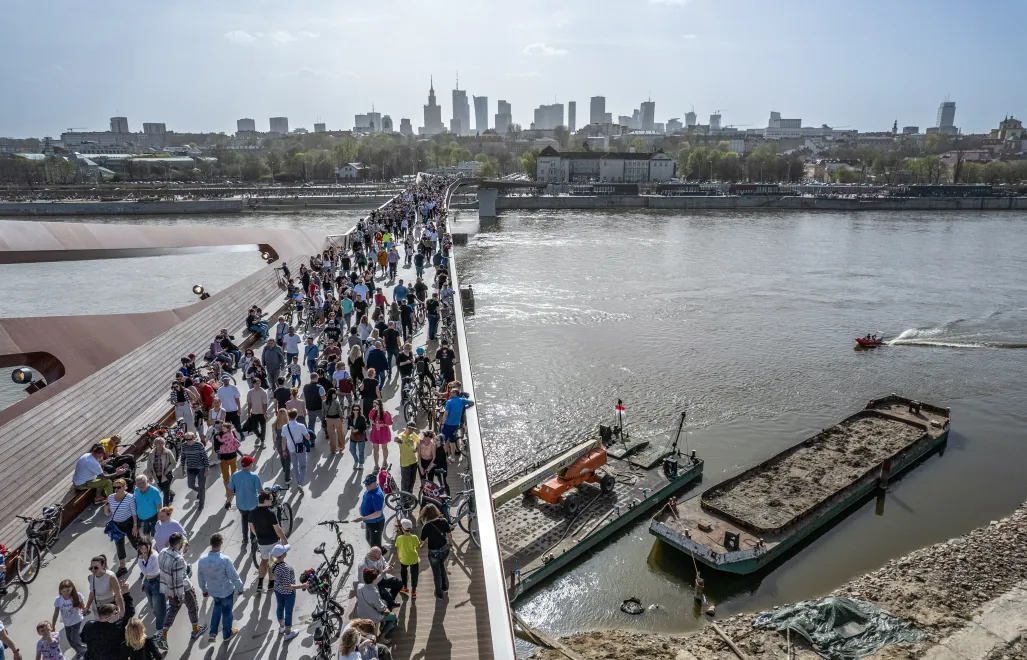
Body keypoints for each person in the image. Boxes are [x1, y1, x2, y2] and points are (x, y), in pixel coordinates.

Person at [158, 532, 206, 643]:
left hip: (169, 589)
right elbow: (179, 580)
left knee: (173, 609)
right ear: (179, 543)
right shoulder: (178, 559)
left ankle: (164, 633)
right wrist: (180, 596)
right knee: (193, 608)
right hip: (183, 589)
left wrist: (182, 554)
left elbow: (170, 566)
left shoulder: (162, 552)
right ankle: (196, 630)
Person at [197, 533, 243, 643]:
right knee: (227, 612)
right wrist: (240, 587)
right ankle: (227, 634)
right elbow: (234, 576)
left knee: (217, 607)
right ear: (221, 543)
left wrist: (204, 589)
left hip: (213, 591)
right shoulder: (225, 560)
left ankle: (213, 632)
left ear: (211, 543)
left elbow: (200, 577)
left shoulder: (202, 560)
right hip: (226, 591)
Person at [250, 490, 289, 592]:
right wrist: (284, 539)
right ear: (266, 501)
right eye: (270, 499)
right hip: (273, 541)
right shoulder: (270, 513)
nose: (272, 501)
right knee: (272, 562)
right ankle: (271, 584)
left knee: (264, 561)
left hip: (261, 542)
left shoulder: (252, 512)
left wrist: (257, 536)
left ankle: (260, 583)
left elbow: (252, 527)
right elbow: (278, 530)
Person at [270, 544, 307, 641]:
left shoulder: (274, 565)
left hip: (278, 590)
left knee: (280, 607)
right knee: (288, 612)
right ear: (283, 555)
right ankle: (288, 632)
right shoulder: (285, 568)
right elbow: (288, 586)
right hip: (288, 593)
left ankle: (281, 627)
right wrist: (301, 586)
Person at [105, 478, 139, 577]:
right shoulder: (111, 497)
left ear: (125, 487)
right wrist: (106, 509)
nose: (116, 489)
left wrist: (135, 526)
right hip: (116, 525)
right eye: (114, 487)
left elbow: (134, 512)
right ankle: (122, 567)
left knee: (135, 542)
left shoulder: (130, 498)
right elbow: (108, 513)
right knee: (119, 546)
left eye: (119, 487)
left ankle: (144, 558)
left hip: (128, 523)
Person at [419, 503, 453, 599]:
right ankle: (445, 588)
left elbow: (422, 540)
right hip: (444, 549)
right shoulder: (444, 521)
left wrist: (421, 545)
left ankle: (439, 594)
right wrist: (450, 544)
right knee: (442, 566)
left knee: (436, 573)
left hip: (433, 552)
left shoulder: (426, 526)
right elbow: (449, 535)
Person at [226, 455, 262, 546]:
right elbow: (260, 491)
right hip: (253, 505)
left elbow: (230, 489)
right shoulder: (254, 476)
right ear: (250, 465)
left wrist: (228, 501)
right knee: (253, 522)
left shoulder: (235, 475)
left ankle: (245, 539)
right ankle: (253, 539)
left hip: (241, 505)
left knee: (244, 520)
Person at [355, 568, 397, 639]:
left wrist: (382, 574)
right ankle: (382, 637)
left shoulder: (359, 586)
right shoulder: (374, 593)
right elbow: (380, 608)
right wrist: (386, 610)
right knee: (393, 617)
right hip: (371, 617)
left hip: (361, 614)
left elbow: (372, 583)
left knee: (384, 603)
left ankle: (382, 624)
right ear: (374, 580)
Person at [134, 539, 165, 635]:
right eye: (141, 548)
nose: (143, 550)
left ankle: (160, 628)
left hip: (156, 581)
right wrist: (143, 582)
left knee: (158, 605)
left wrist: (140, 560)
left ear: (150, 545)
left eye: (145, 547)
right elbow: (146, 574)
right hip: (148, 581)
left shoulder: (153, 557)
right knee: (152, 603)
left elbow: (146, 571)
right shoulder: (145, 555)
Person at [51, 579, 87, 658]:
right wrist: (53, 625)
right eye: (63, 591)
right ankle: (79, 650)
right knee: (70, 640)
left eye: (68, 590)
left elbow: (83, 606)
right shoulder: (58, 600)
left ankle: (84, 652)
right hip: (67, 622)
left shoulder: (77, 596)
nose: (66, 593)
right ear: (60, 591)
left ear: (72, 588)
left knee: (74, 638)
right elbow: (56, 613)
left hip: (76, 620)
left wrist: (85, 610)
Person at [352, 474, 386, 548]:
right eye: (365, 484)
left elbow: (378, 513)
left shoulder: (377, 495)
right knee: (368, 539)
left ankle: (379, 556)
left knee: (375, 545)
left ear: (374, 483)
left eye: (368, 484)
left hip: (375, 524)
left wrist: (362, 518)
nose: (366, 486)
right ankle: (380, 551)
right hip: (369, 522)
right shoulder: (371, 489)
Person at [440, 389, 474, 461]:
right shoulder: (462, 400)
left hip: (447, 425)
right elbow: (472, 403)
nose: (450, 393)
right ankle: (453, 457)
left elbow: (446, 414)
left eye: (451, 392)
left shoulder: (449, 402)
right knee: (452, 442)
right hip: (455, 425)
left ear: (455, 393)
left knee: (444, 441)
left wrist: (442, 423)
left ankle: (443, 457)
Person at [178, 432, 209, 511]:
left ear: (194, 438)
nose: (188, 441)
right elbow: (183, 457)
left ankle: (201, 504)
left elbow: (205, 457)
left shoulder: (199, 445)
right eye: (186, 439)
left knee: (201, 486)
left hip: (200, 468)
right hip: (190, 468)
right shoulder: (184, 446)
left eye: (190, 439)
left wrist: (206, 469)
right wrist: (183, 468)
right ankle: (201, 492)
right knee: (190, 485)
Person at [282, 409, 311, 487]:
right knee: (303, 466)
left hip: (291, 448)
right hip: (300, 448)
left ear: (288, 416)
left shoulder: (285, 427)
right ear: (296, 416)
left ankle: (298, 480)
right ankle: (300, 483)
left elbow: (283, 440)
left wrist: (284, 450)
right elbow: (307, 437)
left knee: (295, 466)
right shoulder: (301, 426)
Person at [146, 436, 176, 506]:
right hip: (156, 476)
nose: (160, 444)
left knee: (165, 493)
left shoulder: (168, 452)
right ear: (155, 444)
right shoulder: (151, 454)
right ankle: (171, 494)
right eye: (158, 443)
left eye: (162, 443)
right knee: (163, 489)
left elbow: (173, 463)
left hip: (166, 475)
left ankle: (166, 507)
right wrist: (150, 476)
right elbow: (149, 465)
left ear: (164, 443)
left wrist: (167, 470)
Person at [394, 519, 421, 598]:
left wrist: (399, 557)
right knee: (414, 575)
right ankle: (414, 592)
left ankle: (405, 587)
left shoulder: (399, 538)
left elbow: (398, 548)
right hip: (414, 559)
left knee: (403, 572)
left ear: (402, 528)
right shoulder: (414, 537)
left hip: (404, 559)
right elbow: (417, 546)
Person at [216, 374, 244, 439]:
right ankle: (232, 437)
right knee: (227, 426)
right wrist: (219, 411)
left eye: (226, 380)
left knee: (237, 425)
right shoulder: (220, 390)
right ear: (222, 381)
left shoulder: (234, 388)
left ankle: (241, 433)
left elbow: (237, 399)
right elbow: (218, 401)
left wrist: (239, 409)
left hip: (234, 410)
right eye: (224, 380)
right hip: (225, 412)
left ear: (229, 380)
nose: (225, 381)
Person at [395, 422, 420, 493]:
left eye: (413, 429)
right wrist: (397, 440)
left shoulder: (413, 434)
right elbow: (397, 439)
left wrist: (417, 448)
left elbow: (419, 440)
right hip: (405, 463)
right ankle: (403, 498)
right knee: (405, 482)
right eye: (409, 428)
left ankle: (410, 496)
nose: (411, 430)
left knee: (412, 480)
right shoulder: (401, 435)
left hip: (414, 461)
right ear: (406, 427)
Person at [215, 422, 241, 488]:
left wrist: (218, 439)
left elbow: (220, 444)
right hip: (228, 457)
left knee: (233, 473)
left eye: (220, 427)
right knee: (228, 475)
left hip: (229, 457)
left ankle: (233, 487)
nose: (219, 428)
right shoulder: (230, 432)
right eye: (216, 427)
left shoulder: (220, 435)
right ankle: (230, 489)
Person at [368, 399, 393, 468]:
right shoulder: (373, 411)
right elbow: (370, 418)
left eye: (375, 405)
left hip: (383, 432)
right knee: (375, 449)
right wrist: (372, 422)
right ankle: (376, 464)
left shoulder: (385, 413)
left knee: (384, 448)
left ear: (379, 405)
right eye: (373, 405)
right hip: (375, 431)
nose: (374, 406)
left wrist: (382, 425)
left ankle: (385, 461)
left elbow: (389, 423)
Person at [302, 373, 326, 442]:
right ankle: (327, 434)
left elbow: (304, 397)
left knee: (311, 424)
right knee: (324, 421)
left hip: (310, 408)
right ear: (316, 378)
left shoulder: (305, 387)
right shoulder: (319, 387)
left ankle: (311, 440)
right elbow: (323, 399)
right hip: (319, 408)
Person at [245, 381, 269, 447]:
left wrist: (265, 413)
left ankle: (262, 442)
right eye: (256, 383)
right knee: (254, 427)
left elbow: (265, 404)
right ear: (253, 384)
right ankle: (259, 436)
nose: (258, 385)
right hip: (254, 413)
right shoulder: (250, 392)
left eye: (259, 383)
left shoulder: (263, 392)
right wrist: (248, 412)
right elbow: (249, 403)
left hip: (261, 413)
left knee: (263, 428)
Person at [324, 388, 346, 454]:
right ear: (333, 394)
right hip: (337, 419)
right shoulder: (336, 402)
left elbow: (323, 412)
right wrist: (342, 418)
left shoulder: (324, 402)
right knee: (340, 433)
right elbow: (339, 411)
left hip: (329, 419)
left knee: (331, 435)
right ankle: (341, 446)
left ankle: (333, 449)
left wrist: (323, 419)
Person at [346, 404, 368, 469]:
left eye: (357, 410)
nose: (355, 411)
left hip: (361, 435)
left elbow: (364, 427)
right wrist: (350, 427)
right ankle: (356, 460)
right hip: (353, 436)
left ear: (359, 410)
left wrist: (357, 430)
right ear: (352, 410)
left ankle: (361, 463)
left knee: (361, 451)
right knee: (351, 449)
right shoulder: (350, 417)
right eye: (354, 409)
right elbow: (348, 425)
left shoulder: (362, 417)